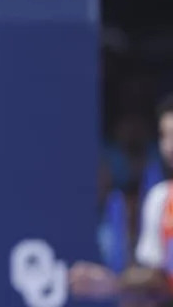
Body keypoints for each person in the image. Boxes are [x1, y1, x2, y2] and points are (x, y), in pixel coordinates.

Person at [69, 95, 173, 304]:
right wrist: (115, 285)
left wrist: (114, 283)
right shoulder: (159, 199)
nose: (170, 146)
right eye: (164, 135)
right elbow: (158, 278)